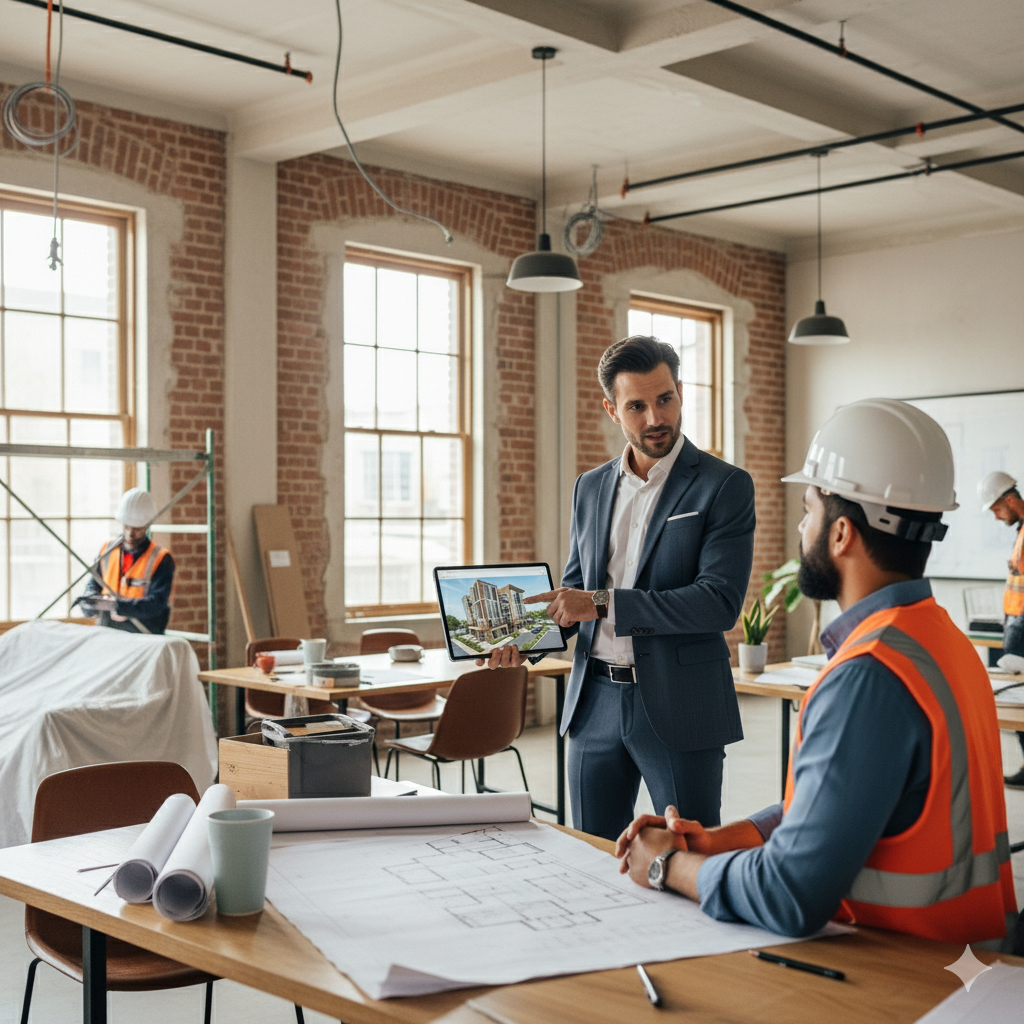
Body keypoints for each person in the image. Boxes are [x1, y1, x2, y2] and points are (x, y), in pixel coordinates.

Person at [613, 398, 1017, 949]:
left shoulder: (869, 675)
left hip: (905, 980)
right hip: (967, 967)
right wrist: (715, 841)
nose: (802, 526)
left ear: (842, 533)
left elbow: (788, 894)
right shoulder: (940, 640)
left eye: (808, 509)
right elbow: (838, 800)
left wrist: (668, 867)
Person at [482, 335, 755, 841]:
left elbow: (718, 602)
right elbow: (573, 591)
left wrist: (603, 602)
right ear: (612, 409)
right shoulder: (590, 487)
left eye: (665, 399)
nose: (655, 418)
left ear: (680, 391)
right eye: (637, 405)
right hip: (594, 704)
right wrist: (525, 642)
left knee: (687, 853)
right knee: (590, 855)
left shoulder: (723, 485)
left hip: (681, 705)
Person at [978, 470, 1024, 787]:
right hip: (1016, 624)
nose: (996, 517)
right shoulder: (1021, 532)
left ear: (1009, 500)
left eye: (996, 509)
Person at [78, 488, 175, 635]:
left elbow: (157, 604)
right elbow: (94, 583)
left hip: (142, 635)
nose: (130, 534)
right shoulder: (107, 550)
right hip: (107, 631)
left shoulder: (161, 559)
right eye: (126, 527)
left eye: (137, 529)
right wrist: (90, 601)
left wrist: (119, 606)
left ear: (147, 526)